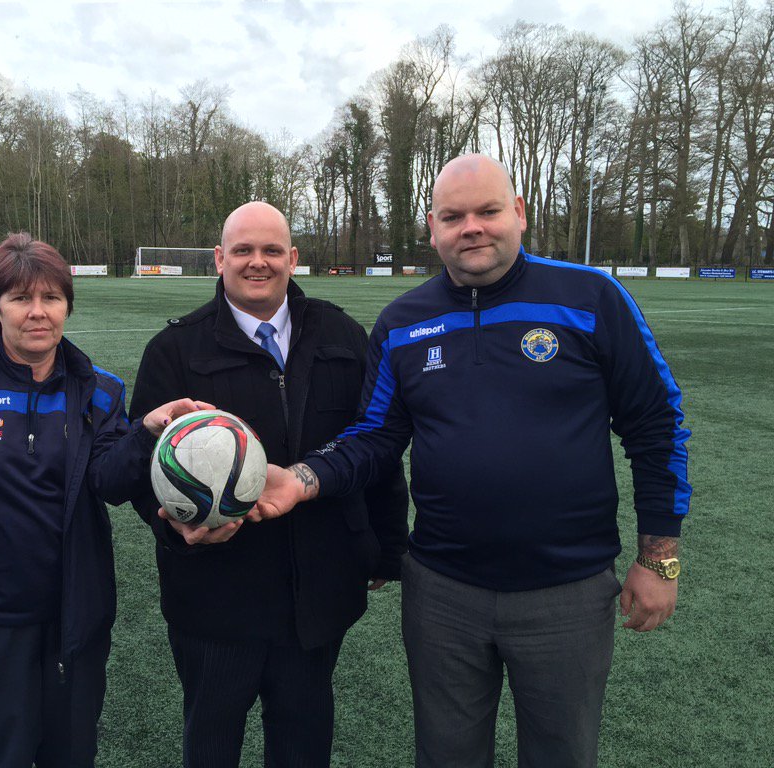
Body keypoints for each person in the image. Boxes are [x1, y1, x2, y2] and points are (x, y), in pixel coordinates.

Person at [254, 155, 691, 767]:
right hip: (442, 592)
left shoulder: (592, 298)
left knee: (562, 755)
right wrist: (300, 479)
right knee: (446, 756)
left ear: (519, 214)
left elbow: (656, 424)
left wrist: (659, 560)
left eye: (487, 211)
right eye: (453, 217)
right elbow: (375, 437)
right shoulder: (403, 322)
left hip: (566, 589)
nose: (472, 228)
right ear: (432, 228)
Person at [0, 232, 208, 768]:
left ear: (67, 306)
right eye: (20, 298)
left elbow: (108, 479)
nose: (38, 313)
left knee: (72, 754)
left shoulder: (101, 391)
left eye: (51, 298)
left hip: (74, 618)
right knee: (1, 754)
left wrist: (145, 433)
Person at [128, 201, 409, 768]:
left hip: (318, 592)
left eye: (272, 250)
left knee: (304, 744)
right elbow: (146, 470)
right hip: (215, 600)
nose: (258, 262)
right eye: (243, 250)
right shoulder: (175, 350)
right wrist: (179, 531)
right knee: (211, 743)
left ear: (293, 258)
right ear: (219, 259)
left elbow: (377, 442)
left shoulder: (341, 333)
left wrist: (386, 546)